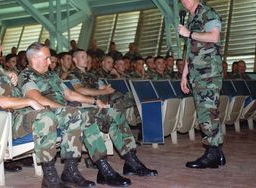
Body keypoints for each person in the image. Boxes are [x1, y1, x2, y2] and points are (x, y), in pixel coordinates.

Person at [18, 42, 156, 186]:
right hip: (49, 114)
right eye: (46, 58)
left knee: (113, 113)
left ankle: (131, 160)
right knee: (83, 116)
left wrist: (94, 101)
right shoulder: (26, 76)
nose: (50, 62)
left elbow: (70, 94)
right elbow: (37, 99)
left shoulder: (51, 75)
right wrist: (67, 109)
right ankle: (100, 168)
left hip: (67, 111)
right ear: (34, 59)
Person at [0, 30, 91, 187]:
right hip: (7, 121)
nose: (1, 48)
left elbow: (1, 83)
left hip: (22, 114)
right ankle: (50, 178)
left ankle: (70, 171)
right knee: (45, 117)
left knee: (72, 114)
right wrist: (29, 101)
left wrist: (9, 74)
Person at [178, 0, 226, 169]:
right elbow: (190, 52)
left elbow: (214, 37)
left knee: (207, 113)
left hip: (209, 73)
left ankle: (212, 154)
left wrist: (189, 33)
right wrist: (184, 76)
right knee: (206, 112)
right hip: (197, 74)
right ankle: (217, 155)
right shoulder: (190, 20)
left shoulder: (207, 13)